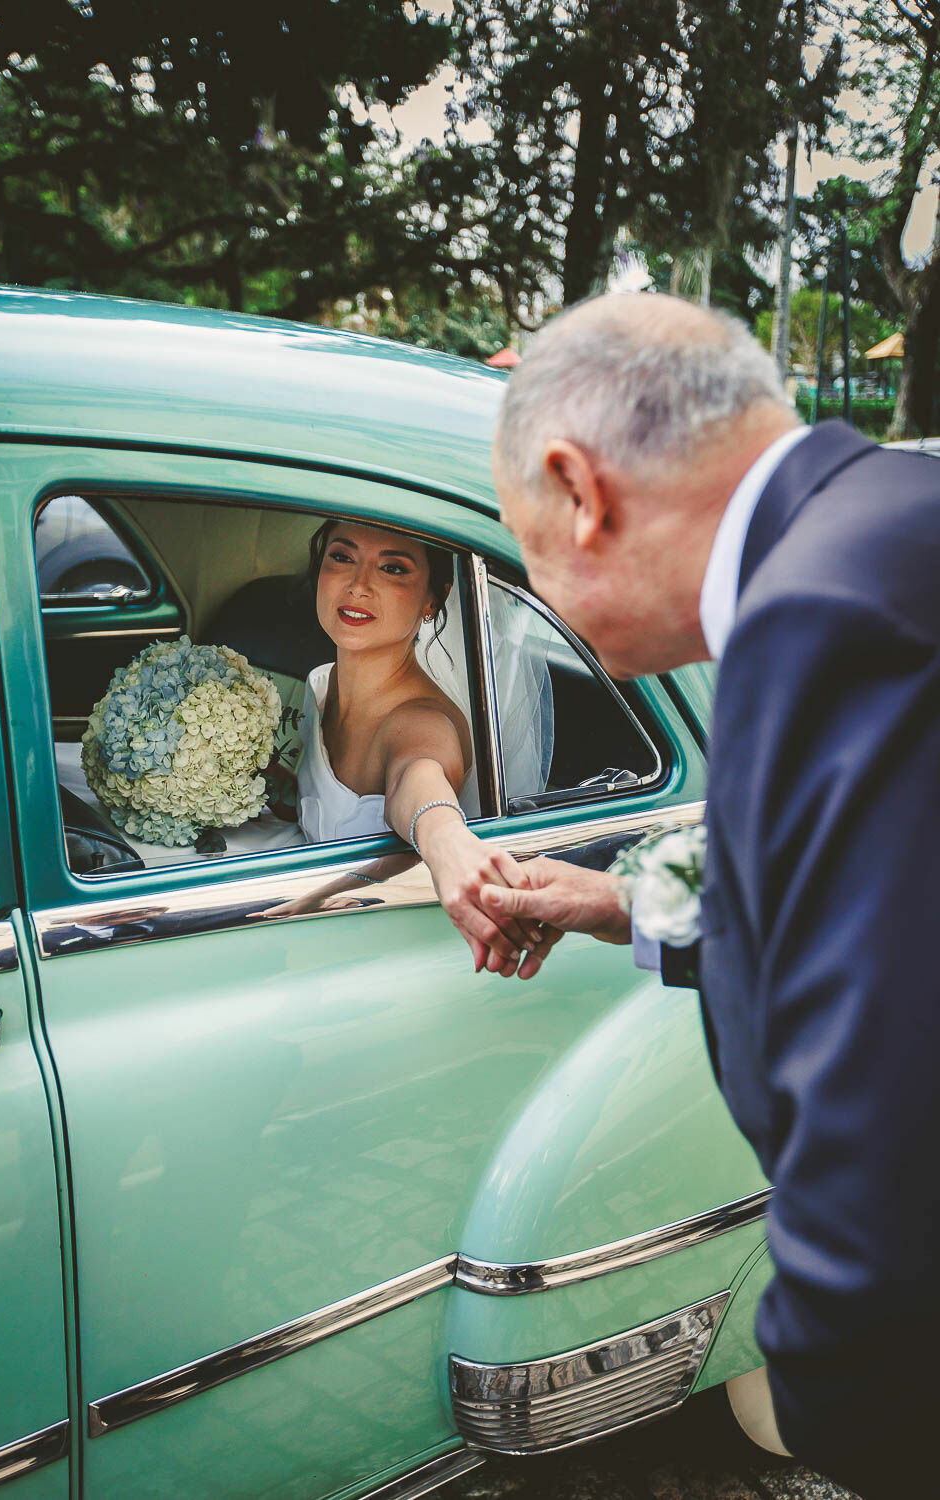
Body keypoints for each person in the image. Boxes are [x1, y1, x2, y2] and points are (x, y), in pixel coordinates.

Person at [463, 291, 940, 1499]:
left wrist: (841, 1401)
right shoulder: (894, 526)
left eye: (525, 553)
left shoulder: (821, 619)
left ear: (579, 489)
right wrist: (618, 901)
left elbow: (880, 1083)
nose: (544, 599)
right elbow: (885, 888)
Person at [270, 517, 558, 976]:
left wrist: (446, 840)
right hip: (308, 929)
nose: (358, 585)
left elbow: (418, 775)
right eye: (342, 558)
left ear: (433, 598)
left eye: (394, 569)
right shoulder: (322, 684)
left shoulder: (422, 721)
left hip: (376, 962)